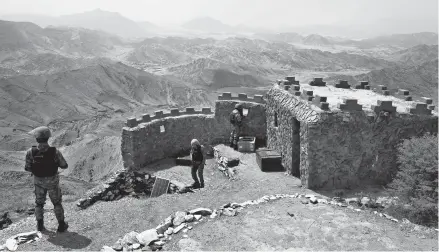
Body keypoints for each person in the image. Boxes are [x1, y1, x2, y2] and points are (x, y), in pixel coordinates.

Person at [25, 126, 69, 233]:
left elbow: (27, 168)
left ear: (36, 138)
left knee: (39, 204)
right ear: (48, 138)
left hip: (38, 182)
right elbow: (64, 165)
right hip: (52, 182)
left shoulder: (31, 152)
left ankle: (40, 225)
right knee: (57, 203)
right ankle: (61, 225)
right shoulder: (55, 152)